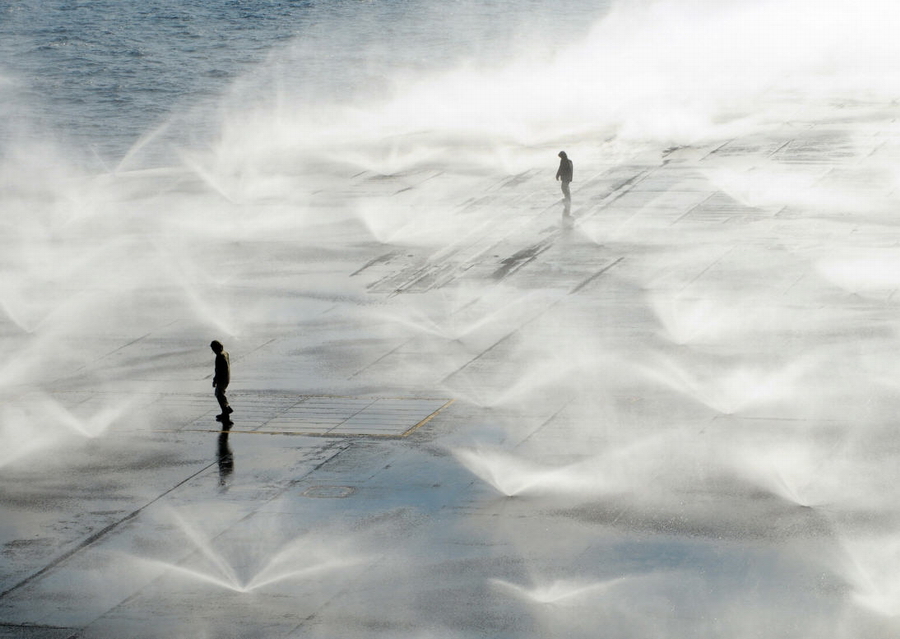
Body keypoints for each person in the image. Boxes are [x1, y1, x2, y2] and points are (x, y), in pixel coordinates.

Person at [210, 340, 233, 424]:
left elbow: (218, 370)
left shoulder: (219, 356)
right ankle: (226, 409)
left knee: (219, 394)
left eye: (213, 348)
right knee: (220, 394)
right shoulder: (225, 353)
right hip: (226, 377)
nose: (213, 350)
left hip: (222, 379)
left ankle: (226, 411)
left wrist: (215, 380)